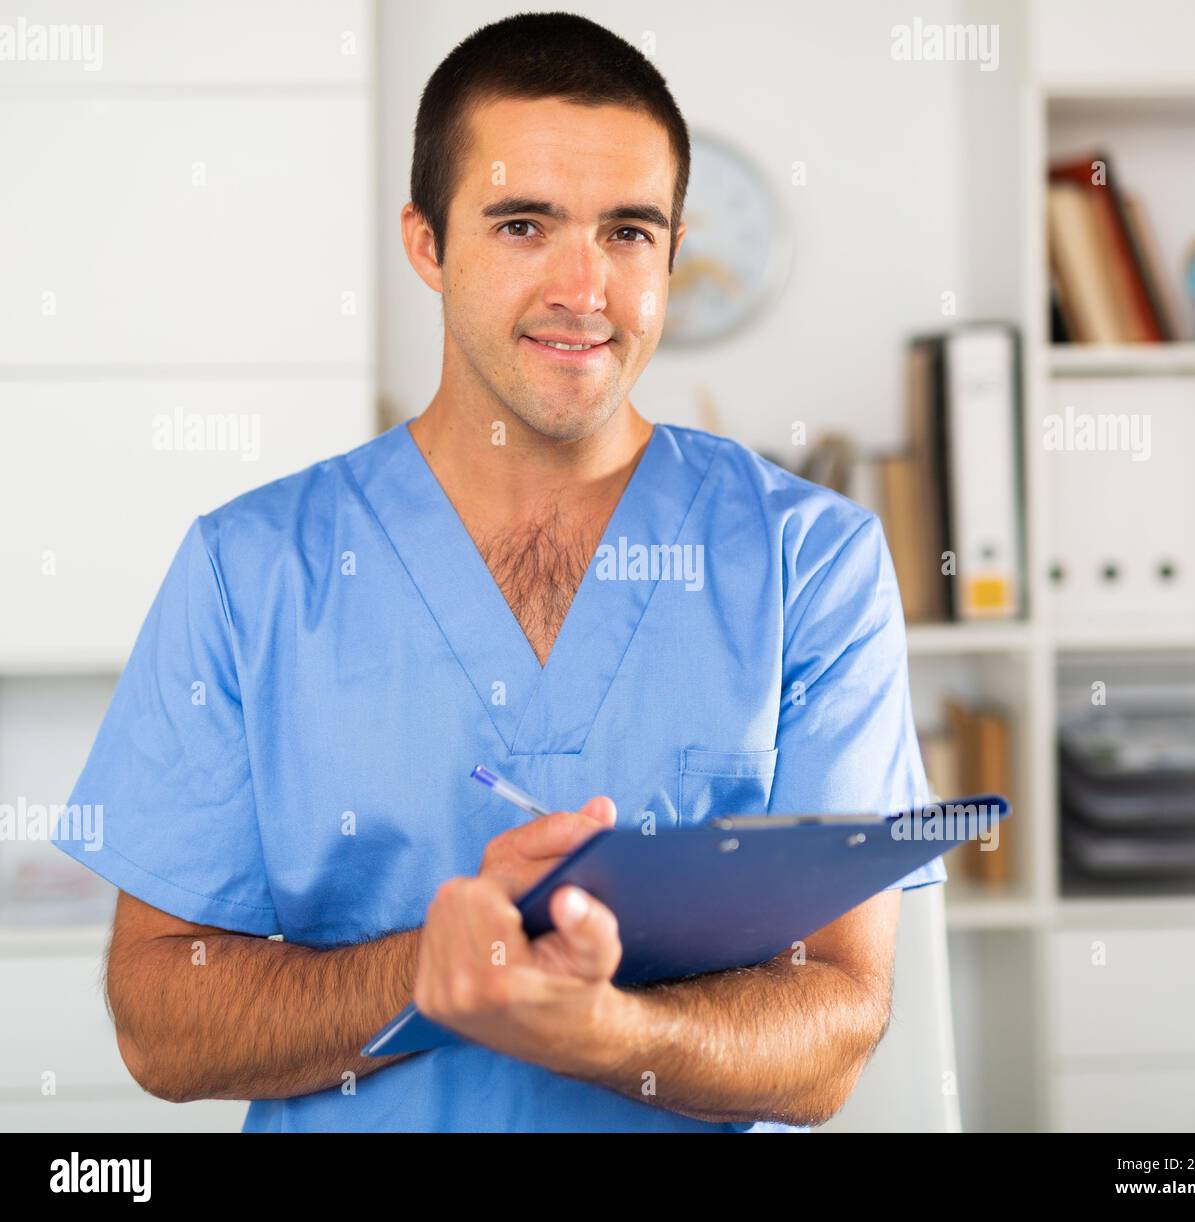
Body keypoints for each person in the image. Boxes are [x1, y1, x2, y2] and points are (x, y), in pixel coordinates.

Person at [55, 10, 944, 1133]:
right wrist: (435, 971)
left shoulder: (809, 565)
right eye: (524, 224)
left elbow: (833, 1032)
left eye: (628, 232)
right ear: (426, 243)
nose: (584, 288)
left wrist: (609, 1033)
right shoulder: (252, 570)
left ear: (673, 249)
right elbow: (160, 1026)